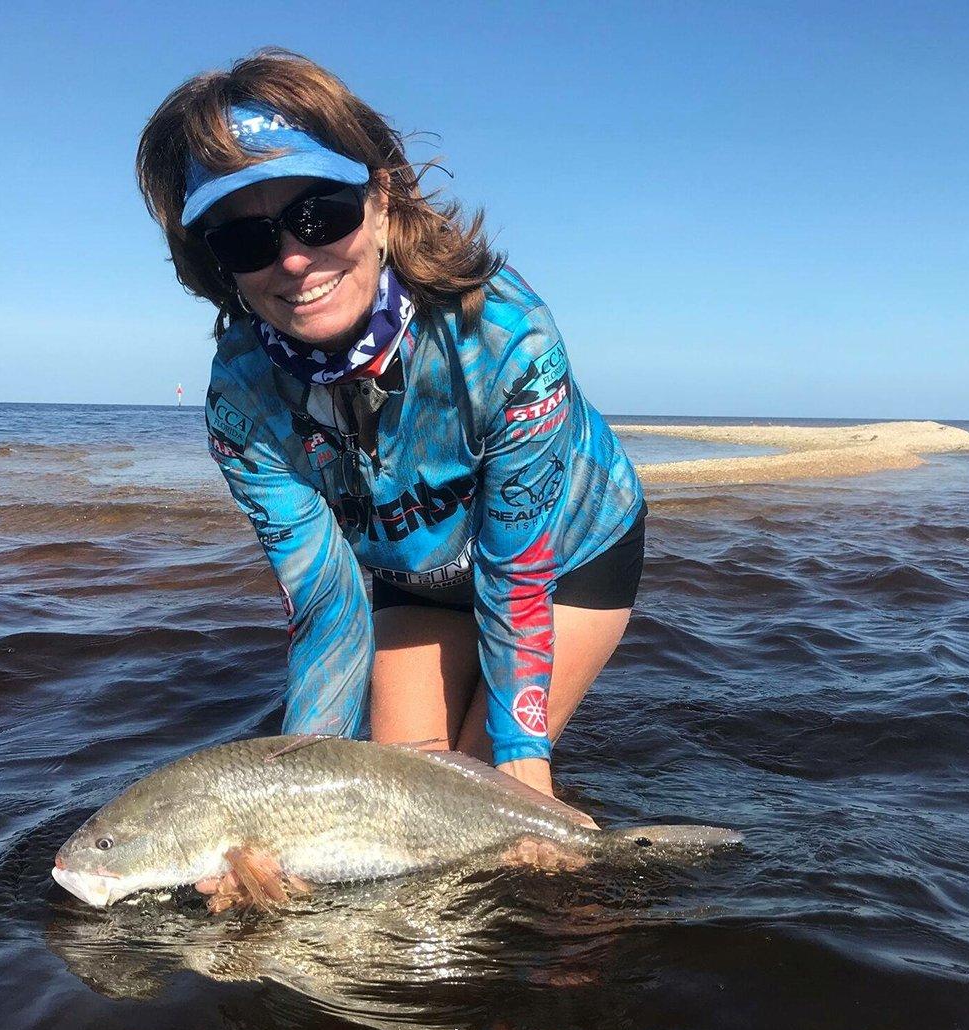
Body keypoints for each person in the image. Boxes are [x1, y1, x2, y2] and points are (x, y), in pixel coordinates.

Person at [136, 50, 644, 806]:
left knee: (484, 798)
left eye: (320, 213)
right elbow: (328, 604)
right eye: (247, 241)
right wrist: (291, 801)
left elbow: (516, 574)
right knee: (392, 792)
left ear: (379, 205)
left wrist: (521, 765)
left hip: (564, 556)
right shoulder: (241, 404)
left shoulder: (507, 340)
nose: (295, 260)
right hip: (416, 574)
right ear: (220, 266)